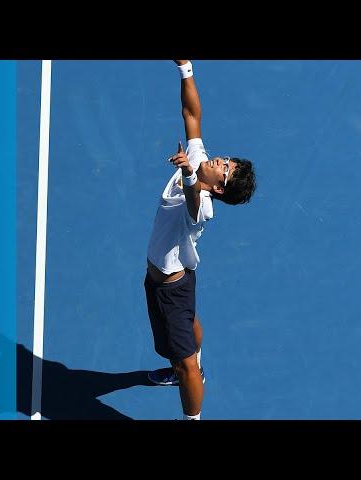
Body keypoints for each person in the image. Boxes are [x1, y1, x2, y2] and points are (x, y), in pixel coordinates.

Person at [145, 60, 257, 420]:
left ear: (220, 187)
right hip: (165, 279)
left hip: (171, 288)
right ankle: (193, 363)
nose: (221, 160)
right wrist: (186, 67)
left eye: (225, 167)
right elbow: (192, 113)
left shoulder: (205, 205)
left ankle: (192, 411)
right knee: (182, 334)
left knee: (185, 368)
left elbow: (193, 198)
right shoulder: (199, 158)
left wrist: (190, 174)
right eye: (227, 160)